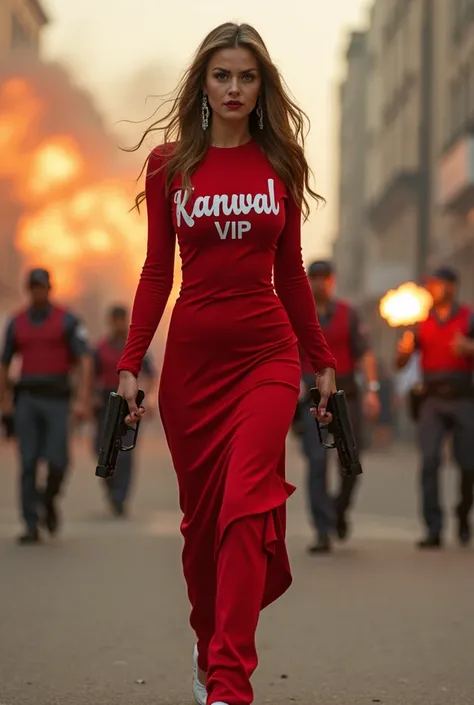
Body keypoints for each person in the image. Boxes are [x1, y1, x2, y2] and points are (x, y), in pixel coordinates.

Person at [115, 22, 336, 705]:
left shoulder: (282, 164)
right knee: (201, 528)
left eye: (247, 76)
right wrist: (130, 362)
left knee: (245, 507)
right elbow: (157, 271)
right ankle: (209, 639)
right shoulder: (169, 165)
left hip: (268, 358)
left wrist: (319, 359)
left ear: (262, 86)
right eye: (223, 76)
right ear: (204, 85)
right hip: (191, 368)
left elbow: (292, 273)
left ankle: (230, 684)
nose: (235, 88)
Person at [0, 268, 92, 544]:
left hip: (57, 398)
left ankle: (48, 500)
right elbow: (4, 363)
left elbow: (84, 361)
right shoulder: (16, 323)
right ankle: (30, 524)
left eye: (41, 287)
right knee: (27, 462)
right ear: (28, 290)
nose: (37, 291)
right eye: (33, 287)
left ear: (49, 289)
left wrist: (83, 398)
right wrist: (4, 400)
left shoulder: (68, 320)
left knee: (58, 461)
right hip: (27, 397)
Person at [297, 260, 380, 553]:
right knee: (317, 462)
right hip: (311, 395)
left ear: (333, 281)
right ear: (307, 281)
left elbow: (365, 354)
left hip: (346, 395)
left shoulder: (349, 314)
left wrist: (372, 390)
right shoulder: (298, 316)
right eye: (314, 277)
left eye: (324, 278)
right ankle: (322, 530)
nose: (319, 283)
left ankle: (339, 509)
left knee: (351, 461)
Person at [396, 265, 474, 549]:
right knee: (429, 461)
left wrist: (469, 348)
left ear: (451, 287)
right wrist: (403, 353)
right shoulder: (421, 322)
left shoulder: (469, 318)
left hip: (464, 397)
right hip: (431, 399)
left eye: (437, 284)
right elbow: (401, 364)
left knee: (468, 464)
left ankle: (464, 512)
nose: (432, 289)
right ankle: (433, 527)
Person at [93, 304, 157, 516]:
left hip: (128, 403)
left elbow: (149, 374)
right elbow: (90, 374)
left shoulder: (134, 347)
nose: (119, 324)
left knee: (126, 452)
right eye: (116, 320)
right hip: (105, 402)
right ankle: (110, 485)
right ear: (110, 322)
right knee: (100, 448)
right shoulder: (100, 348)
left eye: (122, 320)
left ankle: (121, 496)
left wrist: (145, 398)